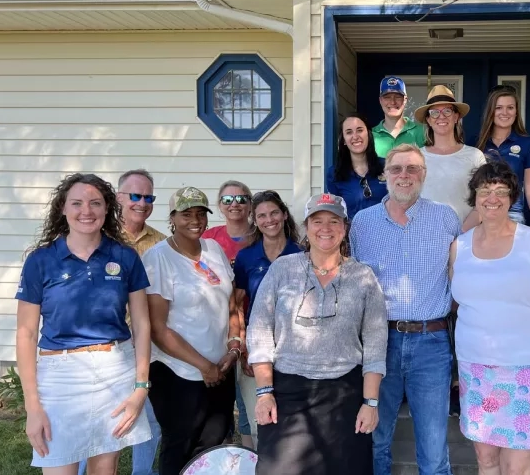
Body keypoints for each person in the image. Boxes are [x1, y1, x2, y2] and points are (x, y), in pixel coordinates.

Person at [15, 173, 152, 473]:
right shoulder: (40, 261)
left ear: (107, 210)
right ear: (63, 208)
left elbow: (142, 325)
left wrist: (141, 386)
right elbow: (25, 335)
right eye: (76, 203)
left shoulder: (125, 257)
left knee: (105, 469)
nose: (86, 211)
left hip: (115, 371)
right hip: (59, 378)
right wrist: (32, 407)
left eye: (95, 203)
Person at [247, 193, 388, 475]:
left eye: (333, 221)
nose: (326, 228)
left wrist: (370, 403)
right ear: (306, 226)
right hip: (287, 391)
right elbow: (260, 331)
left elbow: (375, 342)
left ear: (344, 228)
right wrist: (264, 394)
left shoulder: (363, 276)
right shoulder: (282, 270)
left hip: (344, 393)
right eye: (317, 220)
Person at [452, 161, 530, 475]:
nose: (493, 198)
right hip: (476, 370)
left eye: (501, 191)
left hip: (527, 372)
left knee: (516, 467)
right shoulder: (459, 247)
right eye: (485, 190)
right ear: (474, 197)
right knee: (486, 462)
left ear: (512, 198)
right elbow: (459, 307)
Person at [350, 143, 462, 475]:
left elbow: (460, 275)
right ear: (384, 175)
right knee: (376, 437)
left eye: (413, 169)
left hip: (432, 341)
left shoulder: (445, 217)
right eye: (397, 168)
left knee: (433, 445)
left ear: (423, 175)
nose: (404, 175)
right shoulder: (363, 222)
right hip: (378, 341)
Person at [142, 187, 242, 475]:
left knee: (211, 445)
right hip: (177, 373)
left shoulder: (214, 249)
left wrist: (234, 347)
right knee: (180, 445)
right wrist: (204, 366)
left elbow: (232, 301)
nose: (195, 220)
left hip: (219, 368)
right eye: (187, 214)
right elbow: (157, 328)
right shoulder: (158, 258)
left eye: (200, 213)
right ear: (172, 218)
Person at [78, 169, 167, 475]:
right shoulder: (99, 237)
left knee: (150, 415)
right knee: (92, 418)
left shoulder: (161, 243)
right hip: (103, 345)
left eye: (149, 197)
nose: (142, 203)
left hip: (146, 344)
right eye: (135, 196)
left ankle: (141, 472)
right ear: (117, 198)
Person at [233, 190, 302, 450]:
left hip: (294, 347)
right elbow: (237, 304)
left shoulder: (302, 254)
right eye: (261, 215)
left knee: (291, 420)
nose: (269, 219)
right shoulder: (246, 257)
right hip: (257, 345)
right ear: (255, 220)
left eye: (274, 213)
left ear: (284, 215)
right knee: (258, 417)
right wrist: (242, 347)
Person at [476, 85, 530, 233]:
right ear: (491, 111)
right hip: (481, 213)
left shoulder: (527, 144)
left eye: (510, 108)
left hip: (513, 214)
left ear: (516, 112)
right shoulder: (476, 143)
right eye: (499, 108)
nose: (505, 113)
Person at [415, 85, 486, 230]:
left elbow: (484, 198)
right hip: (424, 238)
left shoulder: (474, 156)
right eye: (434, 112)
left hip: (466, 239)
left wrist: (461, 235)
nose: (441, 116)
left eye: (447, 111)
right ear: (428, 119)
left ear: (456, 117)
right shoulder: (416, 157)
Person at [326, 113, 388, 219]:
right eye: (349, 132)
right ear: (344, 140)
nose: (355, 136)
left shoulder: (387, 166)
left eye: (360, 130)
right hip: (352, 233)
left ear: (368, 134)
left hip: (386, 233)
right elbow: (335, 213)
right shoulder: (334, 173)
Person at [202, 180, 255, 264]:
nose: (234, 204)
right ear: (220, 205)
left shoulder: (263, 236)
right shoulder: (208, 238)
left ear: (250, 204)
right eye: (227, 199)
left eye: (241, 199)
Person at [372, 76, 425, 158]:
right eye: (387, 97)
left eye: (398, 97)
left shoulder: (422, 133)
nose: (393, 102)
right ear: (380, 100)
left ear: (405, 100)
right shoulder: (370, 135)